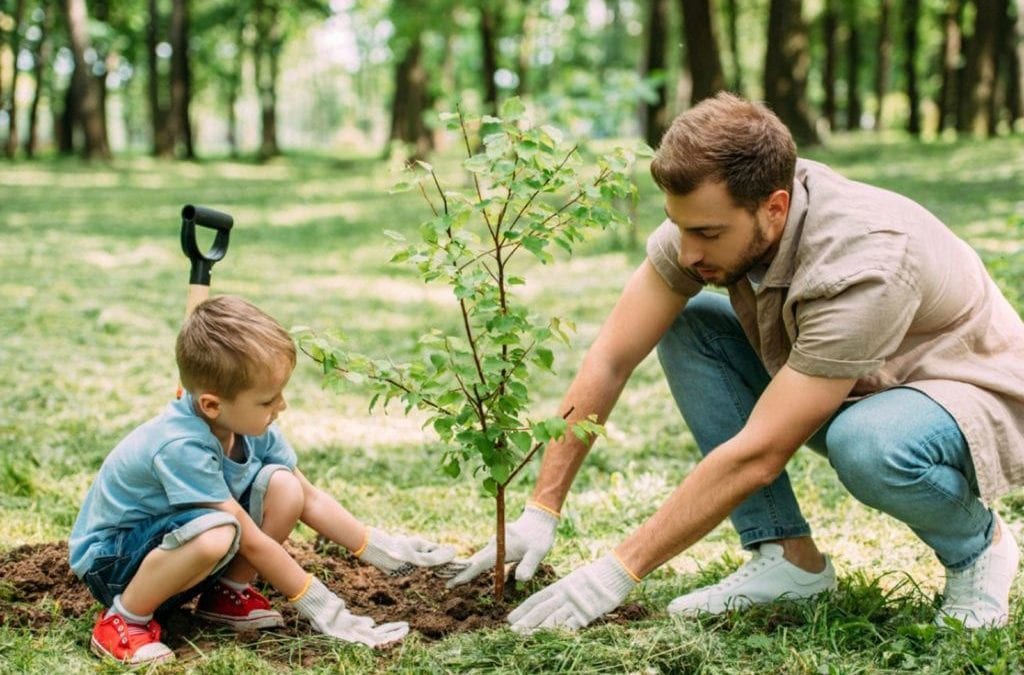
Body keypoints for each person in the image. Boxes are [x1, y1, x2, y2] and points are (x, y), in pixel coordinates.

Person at [447, 93, 1024, 632]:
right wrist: (541, 509)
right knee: (690, 322)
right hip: (854, 381)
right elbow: (612, 357)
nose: (688, 250)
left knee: (867, 442)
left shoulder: (864, 261)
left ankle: (979, 547)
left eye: (706, 232)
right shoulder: (712, 221)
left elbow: (760, 455)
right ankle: (789, 560)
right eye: (679, 226)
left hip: (963, 396)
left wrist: (616, 572)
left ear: (775, 207)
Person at [69, 295, 456, 665]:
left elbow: (309, 497)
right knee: (219, 531)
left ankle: (225, 595)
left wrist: (379, 548)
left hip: (172, 548)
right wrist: (324, 607)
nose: (281, 406)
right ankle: (124, 620)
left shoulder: (247, 425)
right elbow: (249, 541)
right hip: (114, 564)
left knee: (284, 487)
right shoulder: (180, 445)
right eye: (268, 400)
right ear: (211, 405)